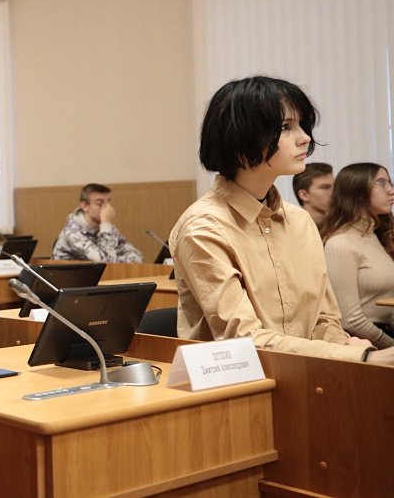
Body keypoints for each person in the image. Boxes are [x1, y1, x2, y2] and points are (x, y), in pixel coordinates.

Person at [169, 75, 394, 365]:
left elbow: (324, 320)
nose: (305, 138)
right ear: (241, 139)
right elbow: (244, 340)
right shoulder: (203, 227)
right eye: (286, 127)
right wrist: (362, 356)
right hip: (240, 382)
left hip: (310, 374)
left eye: (302, 125)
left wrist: (348, 351)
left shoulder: (299, 221)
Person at [322, 163, 394, 348]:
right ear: (358, 192)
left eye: (389, 182)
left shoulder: (375, 235)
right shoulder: (340, 244)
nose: (390, 190)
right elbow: (350, 320)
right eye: (381, 183)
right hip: (367, 344)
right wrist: (390, 346)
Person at [52, 183, 143, 263]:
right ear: (85, 206)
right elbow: (106, 263)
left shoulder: (107, 228)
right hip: (68, 276)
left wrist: (115, 260)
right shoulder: (72, 232)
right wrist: (105, 223)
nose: (106, 208)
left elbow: (137, 256)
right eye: (100, 203)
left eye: (108, 202)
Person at [292, 162, 334, 227]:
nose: (334, 192)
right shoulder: (290, 228)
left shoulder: (342, 227)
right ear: (304, 195)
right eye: (325, 188)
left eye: (335, 187)